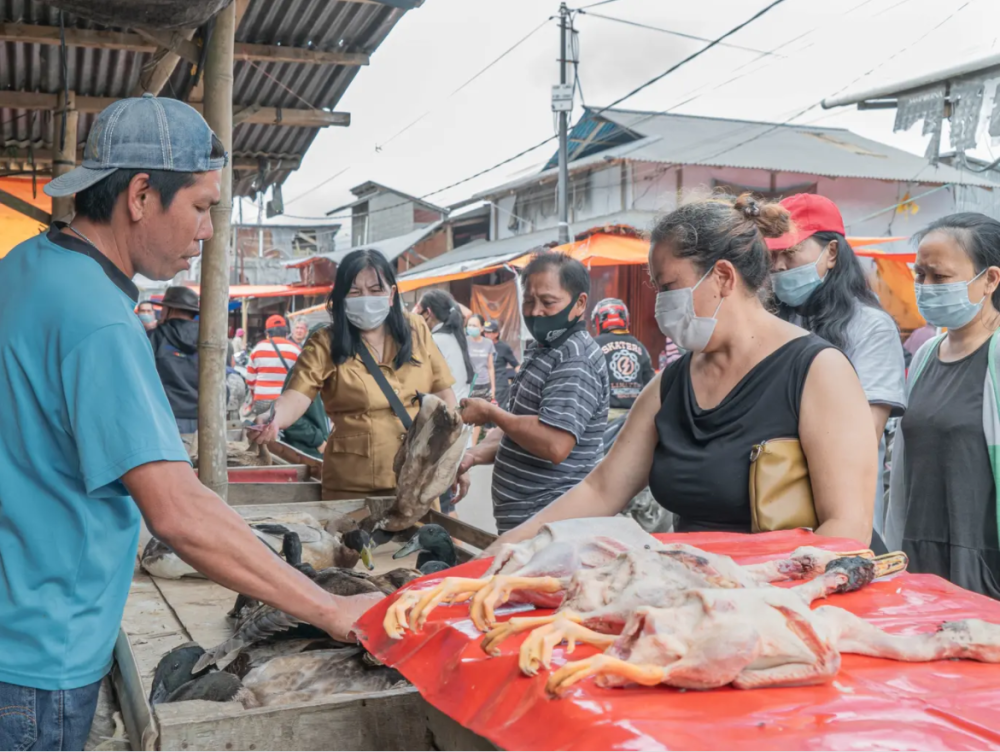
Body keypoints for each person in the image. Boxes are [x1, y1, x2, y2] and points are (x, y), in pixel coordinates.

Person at [0, 95, 379, 751]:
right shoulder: (97, 317)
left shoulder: (26, 271)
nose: (206, 233)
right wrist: (330, 608)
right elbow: (175, 512)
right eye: (201, 207)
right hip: (39, 655)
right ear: (142, 195)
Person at [479, 194, 876, 556]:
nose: (661, 304)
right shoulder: (669, 386)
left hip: (778, 604)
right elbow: (600, 490)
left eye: (669, 286)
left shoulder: (818, 372)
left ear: (722, 277)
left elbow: (847, 527)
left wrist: (754, 591)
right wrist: (507, 545)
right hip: (687, 599)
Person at [249, 249, 466, 501]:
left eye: (375, 290)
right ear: (341, 297)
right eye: (354, 292)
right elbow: (296, 395)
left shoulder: (416, 329)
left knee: (423, 540)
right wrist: (273, 419)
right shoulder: (325, 341)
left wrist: (453, 455)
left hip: (417, 479)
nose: (366, 298)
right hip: (352, 484)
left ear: (391, 294)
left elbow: (444, 395)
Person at [768, 194, 906, 538]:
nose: (780, 266)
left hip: (843, 515)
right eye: (774, 254)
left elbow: (864, 435)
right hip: (771, 508)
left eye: (791, 251)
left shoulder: (870, 327)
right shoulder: (769, 321)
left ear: (831, 253)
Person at [886, 213, 1000, 598]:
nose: (925, 287)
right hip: (920, 565)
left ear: (990, 279)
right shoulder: (925, 357)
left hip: (983, 571)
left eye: (940, 276)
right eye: (920, 275)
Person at [456, 253, 610, 533]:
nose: (535, 311)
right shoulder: (544, 350)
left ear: (580, 303)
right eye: (529, 301)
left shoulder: (574, 358)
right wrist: (473, 455)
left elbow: (554, 443)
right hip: (527, 525)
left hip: (555, 526)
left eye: (548, 302)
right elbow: (517, 426)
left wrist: (491, 413)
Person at [147, 286, 202, 435]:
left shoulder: (153, 337)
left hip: (165, 416)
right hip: (204, 417)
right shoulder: (210, 339)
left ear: (169, 309)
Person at [592, 297, 655, 420]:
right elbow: (650, 384)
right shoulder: (640, 347)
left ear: (598, 321)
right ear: (625, 319)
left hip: (603, 418)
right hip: (634, 418)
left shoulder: (593, 346)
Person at [280, 325, 331, 459]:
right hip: (307, 453)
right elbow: (290, 418)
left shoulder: (331, 373)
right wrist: (318, 440)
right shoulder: (302, 373)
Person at [416, 289, 473, 402]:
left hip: (447, 409)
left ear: (427, 313)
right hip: (462, 406)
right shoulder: (457, 336)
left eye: (418, 313)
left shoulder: (434, 341)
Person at [246, 314, 301, 416]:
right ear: (286, 332)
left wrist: (255, 396)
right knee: (285, 429)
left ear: (267, 333)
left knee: (264, 428)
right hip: (286, 400)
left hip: (262, 399)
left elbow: (250, 379)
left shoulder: (258, 349)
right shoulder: (296, 350)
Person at [465, 313, 496, 445]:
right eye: (469, 325)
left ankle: (472, 445)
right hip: (468, 384)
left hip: (483, 384)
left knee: (477, 418)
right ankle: (464, 444)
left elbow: (490, 367)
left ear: (482, 328)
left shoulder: (488, 343)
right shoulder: (464, 341)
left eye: (474, 325)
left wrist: (493, 388)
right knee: (465, 415)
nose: (471, 327)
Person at [484, 320, 519, 411]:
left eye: (489, 332)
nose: (486, 335)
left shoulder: (504, 347)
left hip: (500, 385)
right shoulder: (481, 345)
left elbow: (516, 365)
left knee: (498, 412)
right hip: (484, 383)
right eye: (485, 332)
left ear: (496, 334)